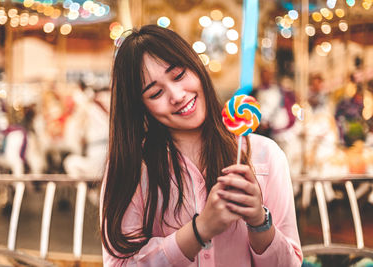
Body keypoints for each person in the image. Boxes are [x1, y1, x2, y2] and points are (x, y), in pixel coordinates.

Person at [100, 25, 302, 267]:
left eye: (178, 75)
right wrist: (200, 229)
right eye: (155, 94)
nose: (176, 95)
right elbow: (120, 264)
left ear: (196, 66)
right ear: (140, 106)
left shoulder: (264, 156)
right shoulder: (133, 166)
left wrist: (260, 221)